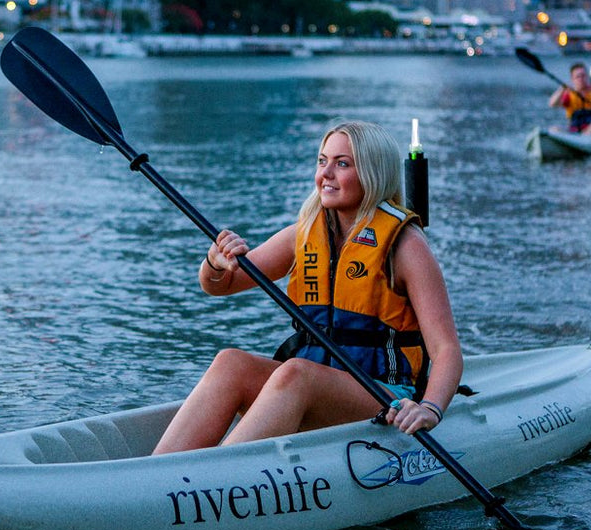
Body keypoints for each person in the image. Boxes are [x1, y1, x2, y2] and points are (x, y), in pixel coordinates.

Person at [153, 121, 463, 455]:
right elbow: (221, 285)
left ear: (373, 174)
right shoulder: (303, 235)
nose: (326, 173)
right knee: (232, 363)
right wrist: (216, 261)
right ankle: (159, 472)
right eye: (322, 161)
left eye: (342, 163)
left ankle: (213, 479)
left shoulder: (405, 245)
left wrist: (429, 408)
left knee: (297, 374)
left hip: (383, 394)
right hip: (314, 384)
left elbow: (446, 350)